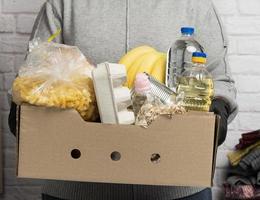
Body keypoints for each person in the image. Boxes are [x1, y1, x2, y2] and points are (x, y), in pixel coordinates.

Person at [9, 0, 238, 199]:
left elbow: (218, 76)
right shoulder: (63, 4)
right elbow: (36, 69)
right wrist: (22, 107)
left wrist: (220, 105)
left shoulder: (195, 5)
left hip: (177, 187)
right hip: (76, 187)